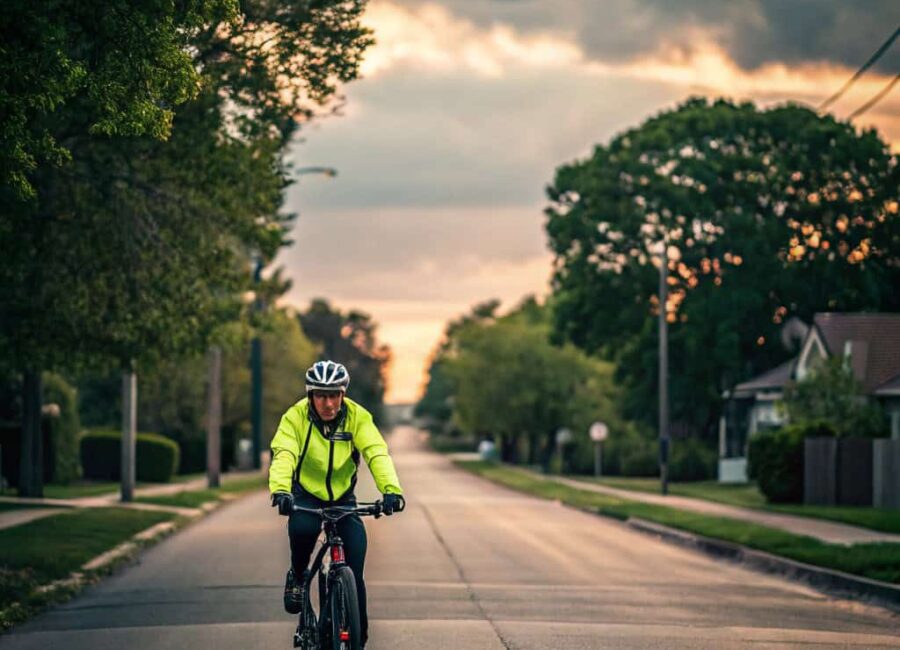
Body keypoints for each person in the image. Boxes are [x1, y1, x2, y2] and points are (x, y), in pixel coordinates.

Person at [269, 360, 405, 649]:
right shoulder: (295, 418)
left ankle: (357, 636)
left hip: (343, 498)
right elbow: (284, 453)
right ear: (311, 396)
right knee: (303, 530)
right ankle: (297, 574)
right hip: (306, 494)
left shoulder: (358, 417)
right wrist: (281, 489)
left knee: (354, 565)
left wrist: (391, 490)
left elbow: (376, 452)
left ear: (343, 395)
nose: (328, 403)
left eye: (334, 395)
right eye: (321, 395)